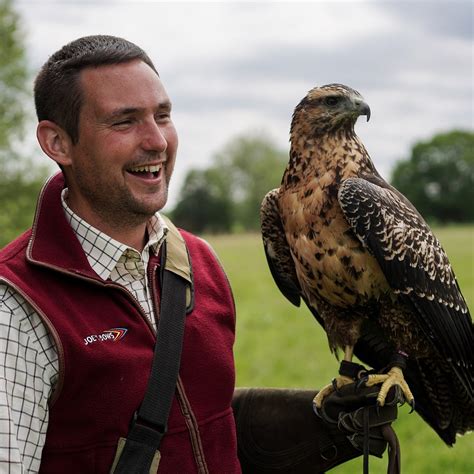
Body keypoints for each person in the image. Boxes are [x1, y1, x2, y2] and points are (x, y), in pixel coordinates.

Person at [0, 35, 398, 473]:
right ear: (58, 143)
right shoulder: (17, 306)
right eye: (124, 122)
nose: (157, 141)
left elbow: (188, 423)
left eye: (163, 116)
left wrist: (311, 425)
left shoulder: (197, 261)